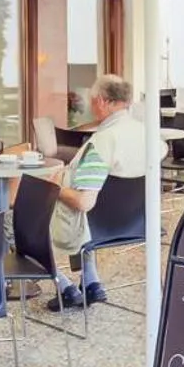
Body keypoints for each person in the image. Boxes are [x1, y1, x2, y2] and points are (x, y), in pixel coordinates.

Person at [46, 74, 140, 312]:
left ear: (101, 101)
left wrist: (55, 189)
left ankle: (65, 287)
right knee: (87, 215)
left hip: (99, 225)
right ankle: (91, 282)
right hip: (139, 221)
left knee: (17, 223)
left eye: (92, 100)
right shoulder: (146, 134)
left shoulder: (101, 144)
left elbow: (83, 202)